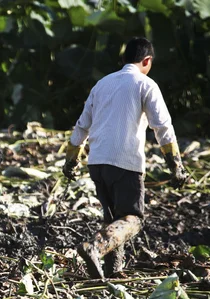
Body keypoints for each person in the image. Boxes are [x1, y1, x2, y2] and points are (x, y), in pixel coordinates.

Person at [62, 37, 189, 279]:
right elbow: (162, 127)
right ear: (147, 60)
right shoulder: (145, 84)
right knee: (133, 219)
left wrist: (71, 159)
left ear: (123, 60)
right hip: (125, 162)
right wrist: (176, 166)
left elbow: (82, 126)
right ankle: (95, 247)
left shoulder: (101, 84)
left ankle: (112, 274)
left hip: (97, 163)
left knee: (113, 220)